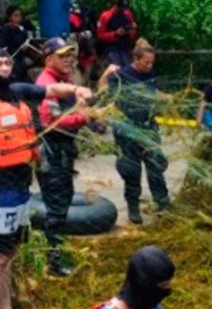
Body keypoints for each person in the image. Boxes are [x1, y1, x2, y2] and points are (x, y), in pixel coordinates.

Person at [0, 46, 93, 309]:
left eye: (7, 62)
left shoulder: (18, 90)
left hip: (20, 185)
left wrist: (77, 90)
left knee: (11, 250)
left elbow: (52, 90)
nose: (4, 67)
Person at [36, 38, 107, 277]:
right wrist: (84, 119)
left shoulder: (65, 81)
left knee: (63, 203)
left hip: (65, 153)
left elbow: (78, 110)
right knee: (56, 209)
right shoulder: (46, 84)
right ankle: (53, 261)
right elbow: (54, 122)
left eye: (70, 55)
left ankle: (57, 252)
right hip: (52, 154)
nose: (68, 59)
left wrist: (94, 121)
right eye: (62, 55)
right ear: (49, 59)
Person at [99, 41, 171, 225]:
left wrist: (165, 99)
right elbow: (107, 94)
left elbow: (153, 93)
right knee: (131, 169)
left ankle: (163, 204)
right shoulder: (120, 76)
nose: (149, 66)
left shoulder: (150, 74)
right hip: (127, 129)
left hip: (148, 127)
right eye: (146, 62)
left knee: (156, 166)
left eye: (152, 62)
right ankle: (133, 207)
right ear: (136, 59)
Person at [0, 5, 32, 83]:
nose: (18, 18)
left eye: (20, 16)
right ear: (9, 17)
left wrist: (26, 47)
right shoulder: (6, 30)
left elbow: (26, 40)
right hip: (11, 60)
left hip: (21, 61)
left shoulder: (21, 29)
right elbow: (0, 46)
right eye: (15, 16)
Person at [97, 0, 138, 68]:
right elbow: (100, 36)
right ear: (116, 5)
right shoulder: (106, 16)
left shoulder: (127, 14)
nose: (122, 10)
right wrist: (115, 34)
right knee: (116, 69)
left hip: (126, 47)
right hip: (112, 48)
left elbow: (133, 30)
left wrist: (130, 31)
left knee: (128, 69)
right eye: (121, 8)